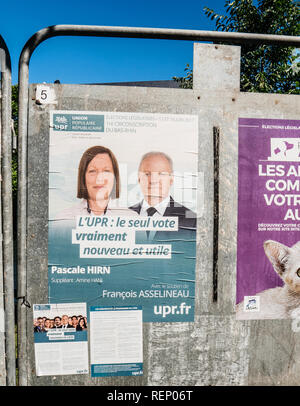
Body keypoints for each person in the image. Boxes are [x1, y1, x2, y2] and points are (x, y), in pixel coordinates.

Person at [55, 145, 136, 219]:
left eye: (106, 171)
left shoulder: (131, 218)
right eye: (92, 171)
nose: (99, 179)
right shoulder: (64, 219)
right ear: (83, 177)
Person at [130, 151, 196, 240]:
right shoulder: (124, 216)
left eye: (161, 173)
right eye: (147, 174)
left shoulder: (191, 220)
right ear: (138, 178)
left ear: (171, 179)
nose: (153, 180)